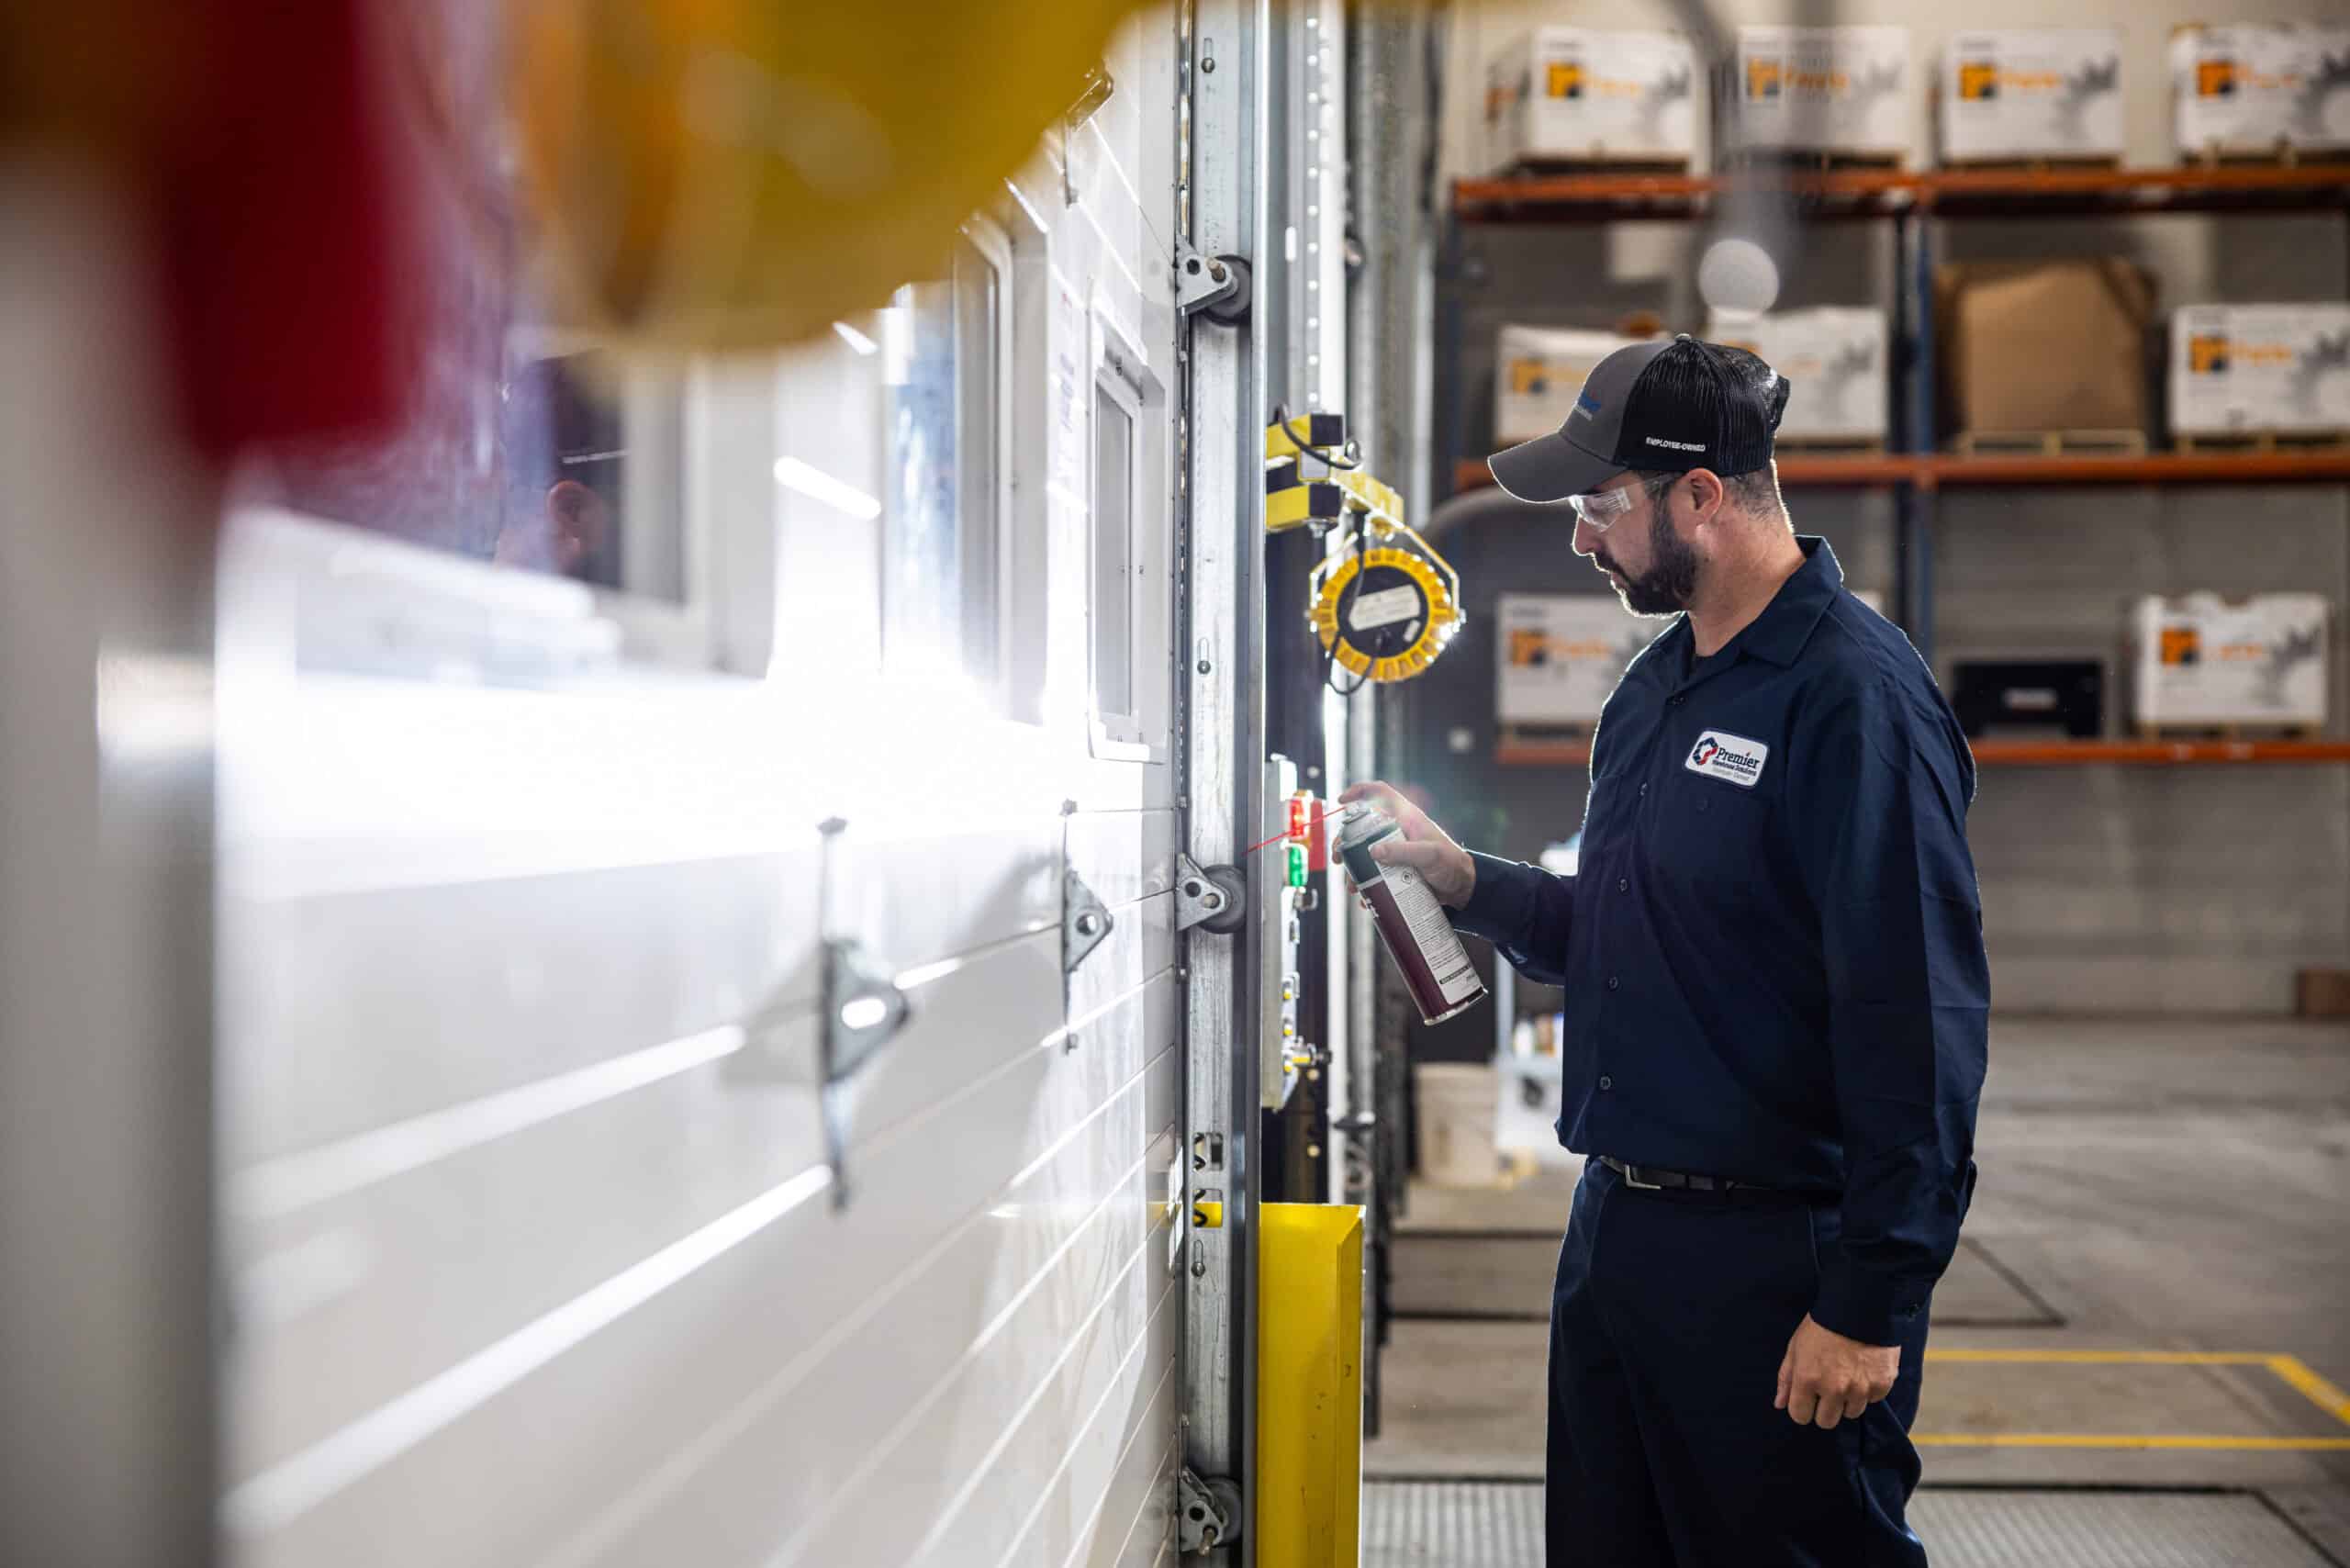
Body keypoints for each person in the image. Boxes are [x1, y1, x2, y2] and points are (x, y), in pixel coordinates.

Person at [1346, 335, 1988, 1566]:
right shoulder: (1659, 687)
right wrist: (1464, 877)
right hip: (1618, 1243)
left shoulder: (1854, 701)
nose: (1583, 540)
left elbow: (1919, 1021)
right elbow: (1635, 936)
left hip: (1775, 1267)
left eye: (1603, 505)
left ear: (1702, 494)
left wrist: (1866, 1302)